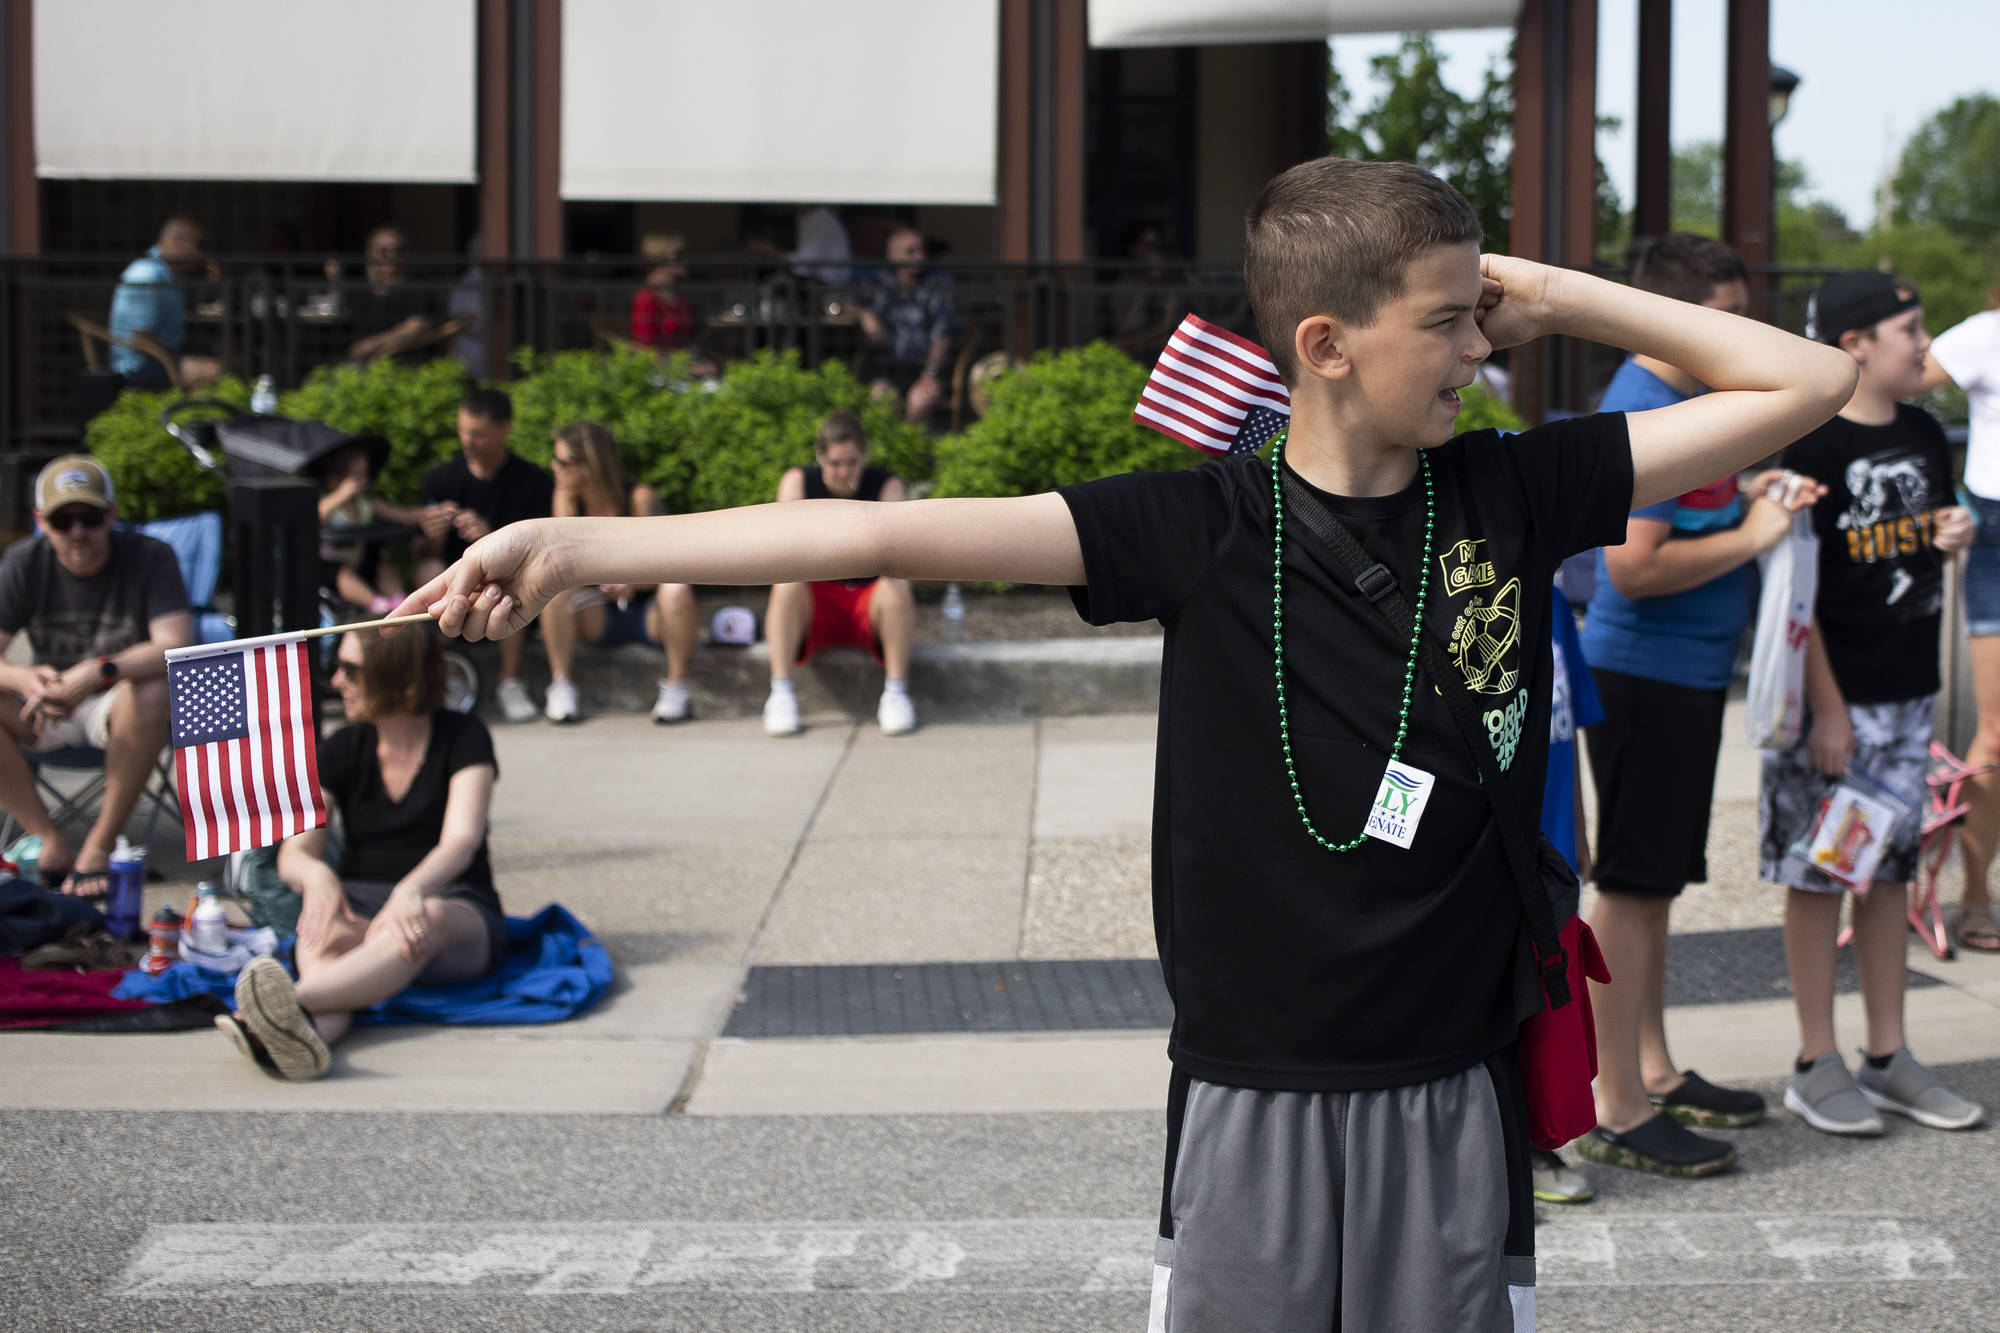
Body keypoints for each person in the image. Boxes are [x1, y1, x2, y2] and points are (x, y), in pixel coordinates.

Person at [393, 157, 1855, 1330]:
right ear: (1325, 346)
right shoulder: (1201, 524)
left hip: (1452, 1077)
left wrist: (1545, 286)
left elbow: (1802, 382)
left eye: (1485, 313)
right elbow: (871, 526)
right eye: (1451, 320)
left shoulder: (1512, 488)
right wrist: (577, 541)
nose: (1482, 349)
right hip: (1252, 1086)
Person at [1575, 233, 1825, 1178]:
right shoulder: (1645, 408)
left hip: (1676, 678)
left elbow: (1686, 519)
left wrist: (1750, 496)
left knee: (1654, 886)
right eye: (1726, 315)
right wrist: (1757, 532)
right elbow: (1631, 571)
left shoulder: (1687, 400)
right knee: (1632, 891)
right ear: (1675, 313)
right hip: (1645, 673)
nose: (1744, 333)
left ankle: (1652, 1067)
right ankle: (1617, 1101)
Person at [1762, 270, 1984, 1136]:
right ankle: (1816, 1059)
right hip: (1836, 709)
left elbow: (1931, 533)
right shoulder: (1808, 444)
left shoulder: (1927, 432)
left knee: (1887, 873)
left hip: (1908, 697)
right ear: (1854, 345)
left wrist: (1955, 532)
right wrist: (1827, 710)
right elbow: (1795, 592)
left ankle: (1888, 1053)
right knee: (1820, 875)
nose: (1924, 344)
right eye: (1910, 328)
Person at [221, 624, 505, 1082]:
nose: (336, 682)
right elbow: (295, 854)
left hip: (451, 900)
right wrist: (317, 877)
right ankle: (297, 1042)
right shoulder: (343, 747)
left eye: (350, 670)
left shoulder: (464, 736)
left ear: (396, 673)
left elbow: (461, 840)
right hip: (358, 902)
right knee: (321, 930)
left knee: (420, 920)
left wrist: (411, 890)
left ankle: (280, 1009)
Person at [0, 458, 192, 893]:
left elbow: (174, 644)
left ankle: (100, 845)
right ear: (39, 521)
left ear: (112, 514)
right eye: (62, 520)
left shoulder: (150, 556)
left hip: (116, 706)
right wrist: (23, 679)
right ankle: (45, 839)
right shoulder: (23, 561)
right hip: (42, 706)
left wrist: (99, 670)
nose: (78, 531)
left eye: (89, 517)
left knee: (151, 690)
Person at [1921, 290, 2000, 951]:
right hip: (1997, 528)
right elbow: (1892, 379)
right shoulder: (1984, 333)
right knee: (1995, 736)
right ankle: (1977, 894)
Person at [762, 412, 916, 738]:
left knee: (898, 584)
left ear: (864, 456)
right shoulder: (798, 481)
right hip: (817, 599)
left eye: (852, 462)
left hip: (867, 600)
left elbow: (898, 551)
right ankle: (780, 694)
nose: (844, 472)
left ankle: (896, 693)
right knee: (786, 582)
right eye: (834, 463)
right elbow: (782, 545)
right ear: (820, 457)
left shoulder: (886, 484)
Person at [536, 421, 697, 724]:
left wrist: (632, 583)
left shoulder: (639, 498)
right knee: (555, 589)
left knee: (677, 587)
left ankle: (678, 685)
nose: (553, 466)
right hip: (599, 610)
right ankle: (561, 686)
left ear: (589, 465)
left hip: (649, 612)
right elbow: (564, 566)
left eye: (561, 461)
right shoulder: (566, 500)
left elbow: (671, 563)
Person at [415, 389, 554, 723]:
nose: (467, 441)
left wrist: (491, 538)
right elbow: (418, 553)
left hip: (505, 584)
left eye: (477, 433)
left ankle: (510, 682)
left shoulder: (533, 482)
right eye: (462, 430)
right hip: (452, 585)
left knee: (506, 584)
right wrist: (432, 536)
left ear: (505, 428)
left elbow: (544, 552)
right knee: (430, 570)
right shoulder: (440, 479)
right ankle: (445, 673)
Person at [1530, 585, 1604, 1205]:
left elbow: (1568, 720)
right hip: (1493, 849)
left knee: (1547, 1006)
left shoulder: (1553, 604)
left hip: (1552, 847)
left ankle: (1536, 1141)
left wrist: (1579, 826)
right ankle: (1495, 1153)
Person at [313, 439, 429, 617]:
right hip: (331, 571)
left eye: (365, 475)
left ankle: (401, 603)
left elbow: (403, 515)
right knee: (340, 572)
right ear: (334, 480)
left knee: (382, 565)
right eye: (356, 476)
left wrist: (432, 513)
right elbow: (314, 518)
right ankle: (376, 604)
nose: (364, 481)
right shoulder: (328, 504)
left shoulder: (367, 506)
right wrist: (341, 495)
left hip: (361, 565)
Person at [106, 216, 221, 390]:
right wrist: (181, 358)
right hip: (137, 367)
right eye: (200, 246)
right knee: (217, 370)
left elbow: (185, 312)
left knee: (230, 359)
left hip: (160, 359)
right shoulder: (147, 275)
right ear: (177, 242)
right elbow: (142, 340)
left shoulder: (171, 274)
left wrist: (211, 283)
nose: (203, 254)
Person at [857, 226, 956, 423]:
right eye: (911, 251)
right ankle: (894, 448)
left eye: (921, 250)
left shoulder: (937, 282)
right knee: (880, 398)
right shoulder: (878, 280)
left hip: (923, 369)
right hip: (886, 369)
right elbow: (839, 302)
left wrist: (931, 371)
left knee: (920, 400)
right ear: (892, 255)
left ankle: (908, 447)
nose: (919, 257)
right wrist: (864, 313)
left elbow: (943, 334)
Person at [344, 226, 437, 362]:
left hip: (405, 359)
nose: (391, 256)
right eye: (384, 251)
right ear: (371, 254)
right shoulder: (362, 289)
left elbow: (419, 325)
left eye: (398, 250)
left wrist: (373, 344)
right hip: (363, 361)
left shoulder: (417, 285)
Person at [630, 232, 697, 353]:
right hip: (661, 368)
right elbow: (644, 349)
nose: (686, 259)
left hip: (683, 363)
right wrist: (687, 366)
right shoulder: (646, 296)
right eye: (678, 255)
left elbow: (690, 339)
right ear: (658, 260)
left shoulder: (679, 295)